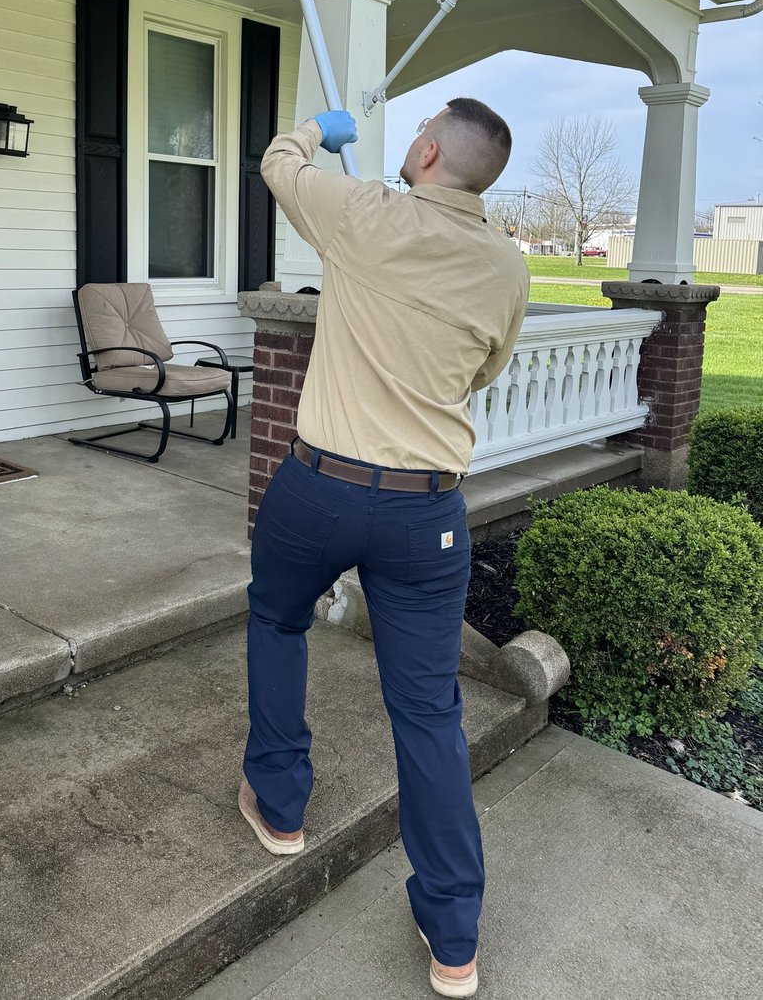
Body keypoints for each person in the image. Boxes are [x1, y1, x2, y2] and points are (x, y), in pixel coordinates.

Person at [237, 98, 530, 998]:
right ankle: (453, 940)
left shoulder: (360, 211)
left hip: (319, 488)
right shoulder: (508, 264)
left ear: (431, 148)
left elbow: (276, 163)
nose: (407, 138)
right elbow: (486, 367)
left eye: (419, 129)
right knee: (429, 713)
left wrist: (319, 132)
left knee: (278, 619)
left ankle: (279, 806)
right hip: (426, 514)